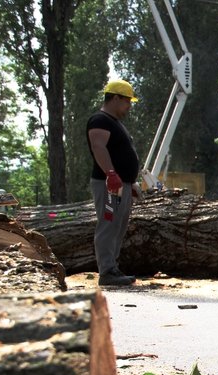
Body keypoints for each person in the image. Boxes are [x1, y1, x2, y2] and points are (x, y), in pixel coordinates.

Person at [86, 79, 143, 286]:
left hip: (121, 185)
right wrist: (111, 174)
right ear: (116, 98)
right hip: (109, 185)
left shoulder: (115, 123)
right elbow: (98, 147)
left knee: (118, 225)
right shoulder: (100, 120)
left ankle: (113, 268)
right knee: (108, 224)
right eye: (127, 101)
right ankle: (107, 271)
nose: (129, 106)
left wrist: (130, 182)